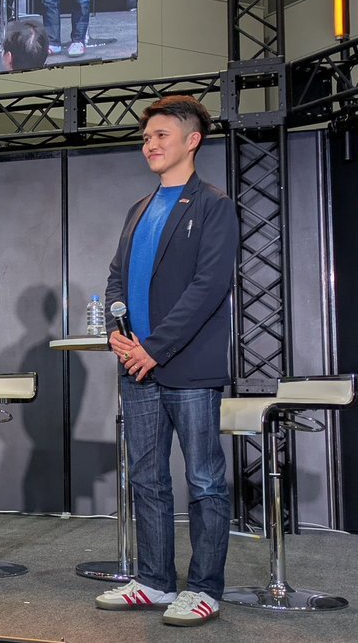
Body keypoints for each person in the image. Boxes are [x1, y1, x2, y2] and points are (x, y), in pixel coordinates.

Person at [95, 95, 238, 627]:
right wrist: (119, 335)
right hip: (136, 367)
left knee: (203, 480)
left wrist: (154, 348)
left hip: (186, 366)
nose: (149, 144)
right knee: (147, 479)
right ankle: (155, 581)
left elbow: (208, 287)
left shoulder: (214, 205)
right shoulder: (139, 208)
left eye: (160, 135)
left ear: (192, 140)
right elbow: (116, 278)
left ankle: (205, 589)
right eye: (146, 137)